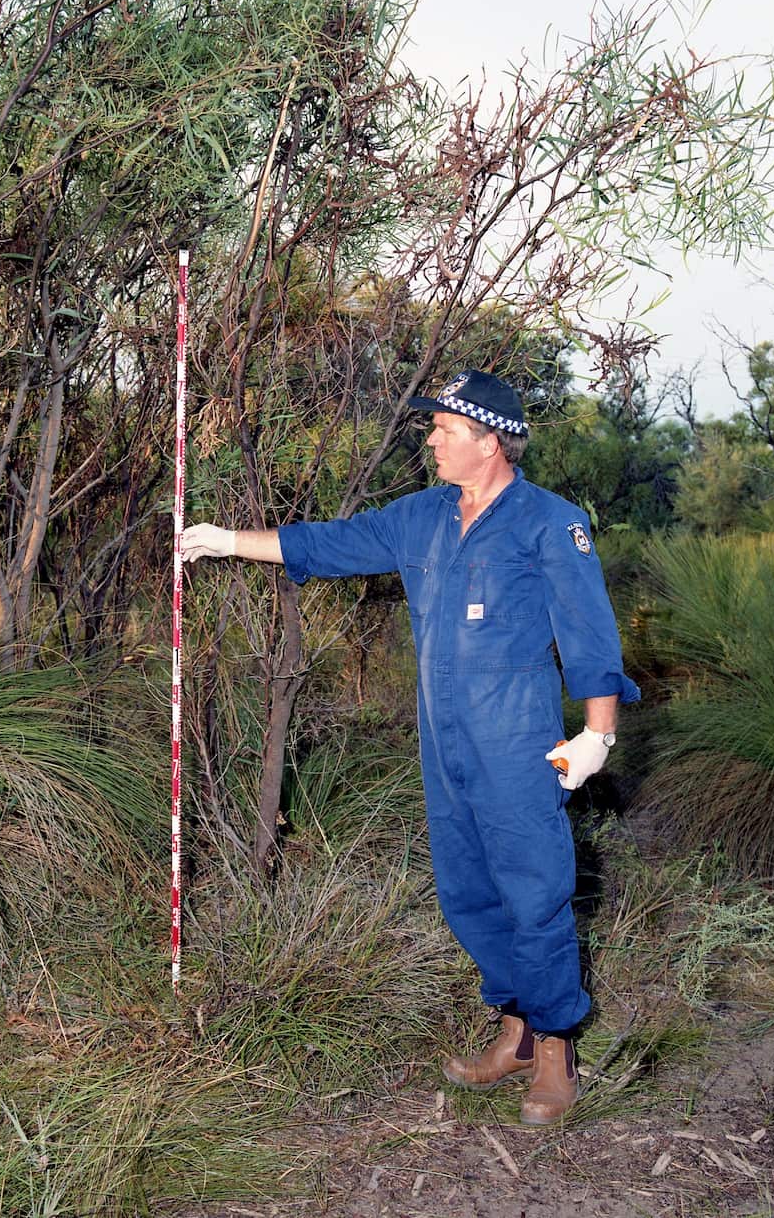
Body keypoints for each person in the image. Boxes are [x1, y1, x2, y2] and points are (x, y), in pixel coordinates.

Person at [181, 368, 640, 1124]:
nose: (431, 440)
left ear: (490, 443)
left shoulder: (548, 523)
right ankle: (516, 1030)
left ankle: (556, 1044)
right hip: (443, 738)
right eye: (434, 429)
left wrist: (597, 732)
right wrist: (230, 541)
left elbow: (591, 632)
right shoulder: (424, 514)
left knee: (534, 888)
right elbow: (335, 542)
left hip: (519, 740)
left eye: (445, 430)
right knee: (466, 890)